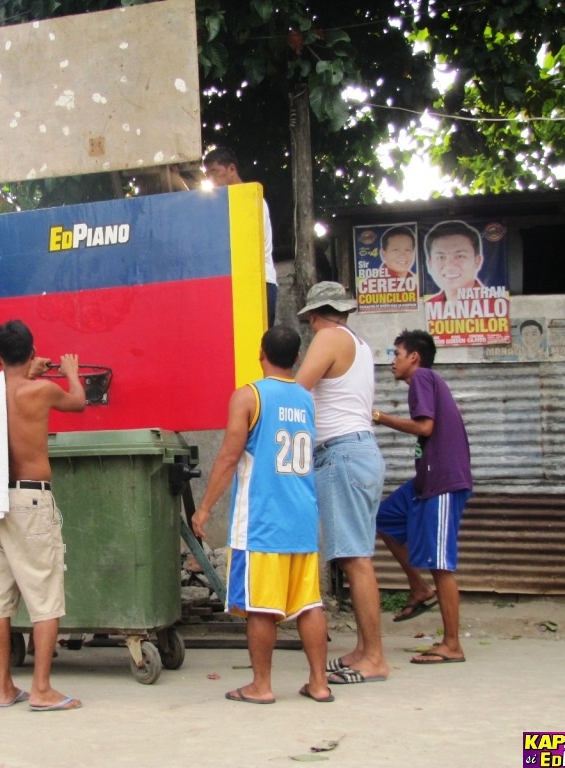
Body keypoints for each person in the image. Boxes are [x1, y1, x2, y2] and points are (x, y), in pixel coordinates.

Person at [192, 326, 332, 705]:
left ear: (260, 353)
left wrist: (204, 508)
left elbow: (228, 457)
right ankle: (319, 683)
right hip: (302, 516)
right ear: (298, 358)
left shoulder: (248, 396)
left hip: (263, 520)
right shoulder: (305, 399)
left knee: (260, 606)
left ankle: (261, 685)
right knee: (309, 604)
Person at [0, 319, 86, 710]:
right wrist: (71, 373)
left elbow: (8, 383)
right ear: (33, 350)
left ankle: (5, 688)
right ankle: (41, 689)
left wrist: (25, 370)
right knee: (45, 597)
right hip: (30, 502)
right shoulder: (43, 390)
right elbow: (78, 403)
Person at [295, 281, 389, 685]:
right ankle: (365, 651)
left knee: (355, 559)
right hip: (359, 452)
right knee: (357, 556)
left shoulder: (328, 338)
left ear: (316, 315)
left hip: (342, 454)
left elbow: (299, 390)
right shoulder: (359, 344)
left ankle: (375, 659)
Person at [374, 330, 473, 664]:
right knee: (383, 518)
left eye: (397, 353)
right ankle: (418, 588)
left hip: (443, 481)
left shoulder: (422, 378)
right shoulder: (426, 380)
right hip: (424, 482)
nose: (393, 361)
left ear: (413, 356)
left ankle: (452, 644)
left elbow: (425, 427)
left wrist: (378, 417)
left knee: (441, 564)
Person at [203, 147, 277, 326]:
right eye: (207, 175)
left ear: (231, 169)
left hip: (257, 280)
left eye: (215, 172)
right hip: (241, 280)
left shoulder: (248, 197)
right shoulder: (228, 202)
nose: (211, 180)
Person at [423, 220, 485, 303]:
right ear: (429, 264)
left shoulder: (496, 306)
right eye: (441, 257)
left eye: (460, 256)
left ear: (477, 261)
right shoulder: (429, 306)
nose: (449, 266)